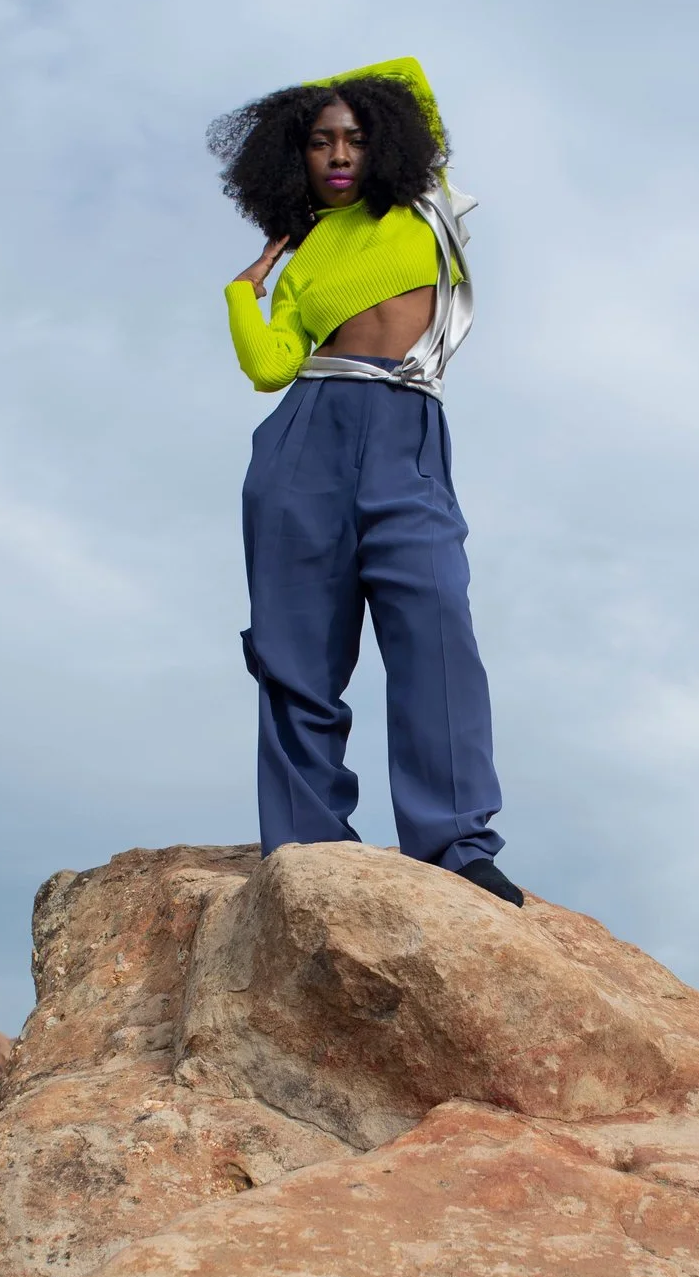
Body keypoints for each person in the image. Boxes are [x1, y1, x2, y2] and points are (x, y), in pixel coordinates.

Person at [207, 57, 523, 907]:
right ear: (295, 159)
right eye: (318, 142)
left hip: (407, 428)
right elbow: (273, 367)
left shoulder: (426, 202)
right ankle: (310, 844)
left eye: (354, 136)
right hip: (306, 436)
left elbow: (408, 76)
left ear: (387, 139)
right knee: (294, 651)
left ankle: (456, 843)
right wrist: (247, 293)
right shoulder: (306, 261)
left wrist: (308, 97)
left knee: (436, 620)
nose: (339, 153)